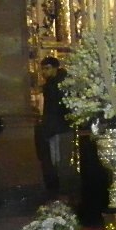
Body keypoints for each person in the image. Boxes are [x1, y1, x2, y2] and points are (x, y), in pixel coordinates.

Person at [39, 56, 72, 196]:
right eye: (42, 69)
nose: (44, 72)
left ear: (55, 68)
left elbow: (53, 109)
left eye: (47, 68)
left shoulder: (56, 85)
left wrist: (48, 127)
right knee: (58, 161)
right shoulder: (53, 84)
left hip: (58, 128)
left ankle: (63, 193)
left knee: (60, 161)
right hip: (57, 127)